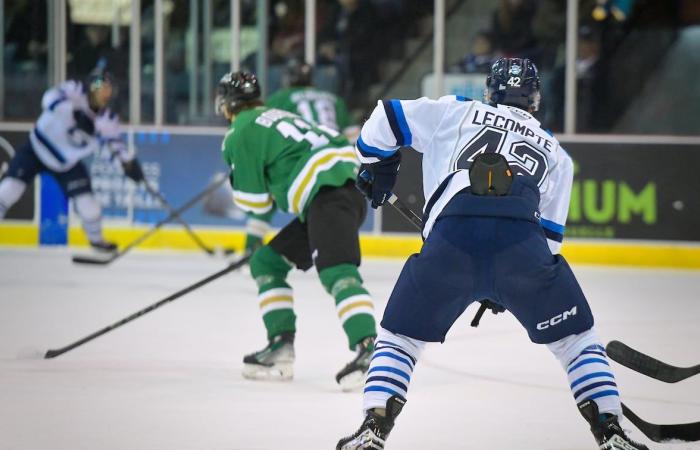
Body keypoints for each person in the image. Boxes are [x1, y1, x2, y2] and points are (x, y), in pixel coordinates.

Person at [337, 58, 648, 449]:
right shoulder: (555, 152)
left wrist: (377, 165)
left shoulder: (458, 110)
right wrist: (504, 284)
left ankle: (374, 427)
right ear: (536, 99)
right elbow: (548, 240)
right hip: (523, 246)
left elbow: (385, 115)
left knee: (400, 339)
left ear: (490, 90)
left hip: (450, 241)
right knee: (576, 341)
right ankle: (610, 430)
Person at [216, 71, 377, 390]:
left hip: (328, 194)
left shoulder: (240, 131)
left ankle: (370, 347)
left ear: (225, 104)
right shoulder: (278, 115)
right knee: (266, 263)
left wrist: (241, 180)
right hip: (343, 188)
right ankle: (280, 345)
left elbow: (254, 202)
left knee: (337, 272)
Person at [0, 65, 144, 252]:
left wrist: (127, 164)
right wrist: (74, 113)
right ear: (92, 84)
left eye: (109, 88)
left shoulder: (107, 120)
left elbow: (113, 148)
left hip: (66, 163)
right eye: (100, 84)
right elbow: (49, 99)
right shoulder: (75, 90)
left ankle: (96, 241)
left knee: (89, 204)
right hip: (37, 147)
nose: (104, 91)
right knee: (10, 188)